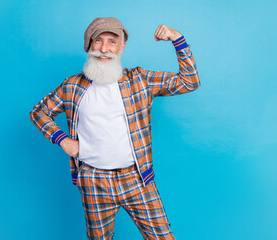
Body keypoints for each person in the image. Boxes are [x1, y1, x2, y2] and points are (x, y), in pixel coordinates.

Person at [29, 17, 200, 240]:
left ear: (122, 47)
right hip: (93, 181)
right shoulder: (72, 85)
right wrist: (62, 139)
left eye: (112, 41)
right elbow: (38, 112)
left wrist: (177, 39)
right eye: (98, 41)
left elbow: (190, 81)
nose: (104, 48)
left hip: (137, 180)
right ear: (88, 45)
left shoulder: (139, 80)